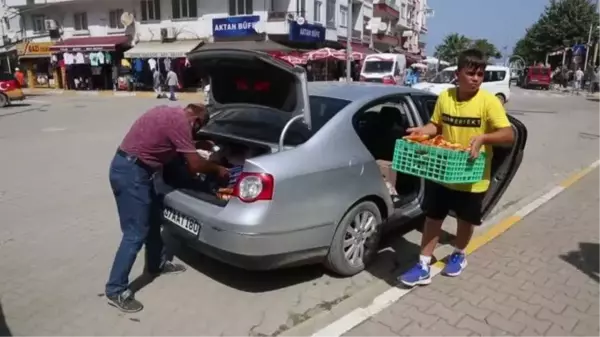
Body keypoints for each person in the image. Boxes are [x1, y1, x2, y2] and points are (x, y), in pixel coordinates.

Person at [398, 49, 514, 287]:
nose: (476, 78)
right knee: (433, 218)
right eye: (471, 73)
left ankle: (459, 253)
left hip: (472, 174)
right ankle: (422, 264)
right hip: (443, 170)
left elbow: (508, 134)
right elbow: (435, 125)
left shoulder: (488, 101)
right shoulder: (446, 98)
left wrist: (483, 138)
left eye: (480, 74)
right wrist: (422, 131)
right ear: (458, 73)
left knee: (465, 220)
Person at [105, 103, 229, 313]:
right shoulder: (181, 123)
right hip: (131, 174)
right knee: (135, 233)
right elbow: (195, 166)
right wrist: (218, 169)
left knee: (154, 219)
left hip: (134, 169)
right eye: (196, 130)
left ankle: (156, 264)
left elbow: (174, 142)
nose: (193, 133)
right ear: (196, 121)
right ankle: (116, 288)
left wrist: (197, 142)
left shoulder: (171, 113)